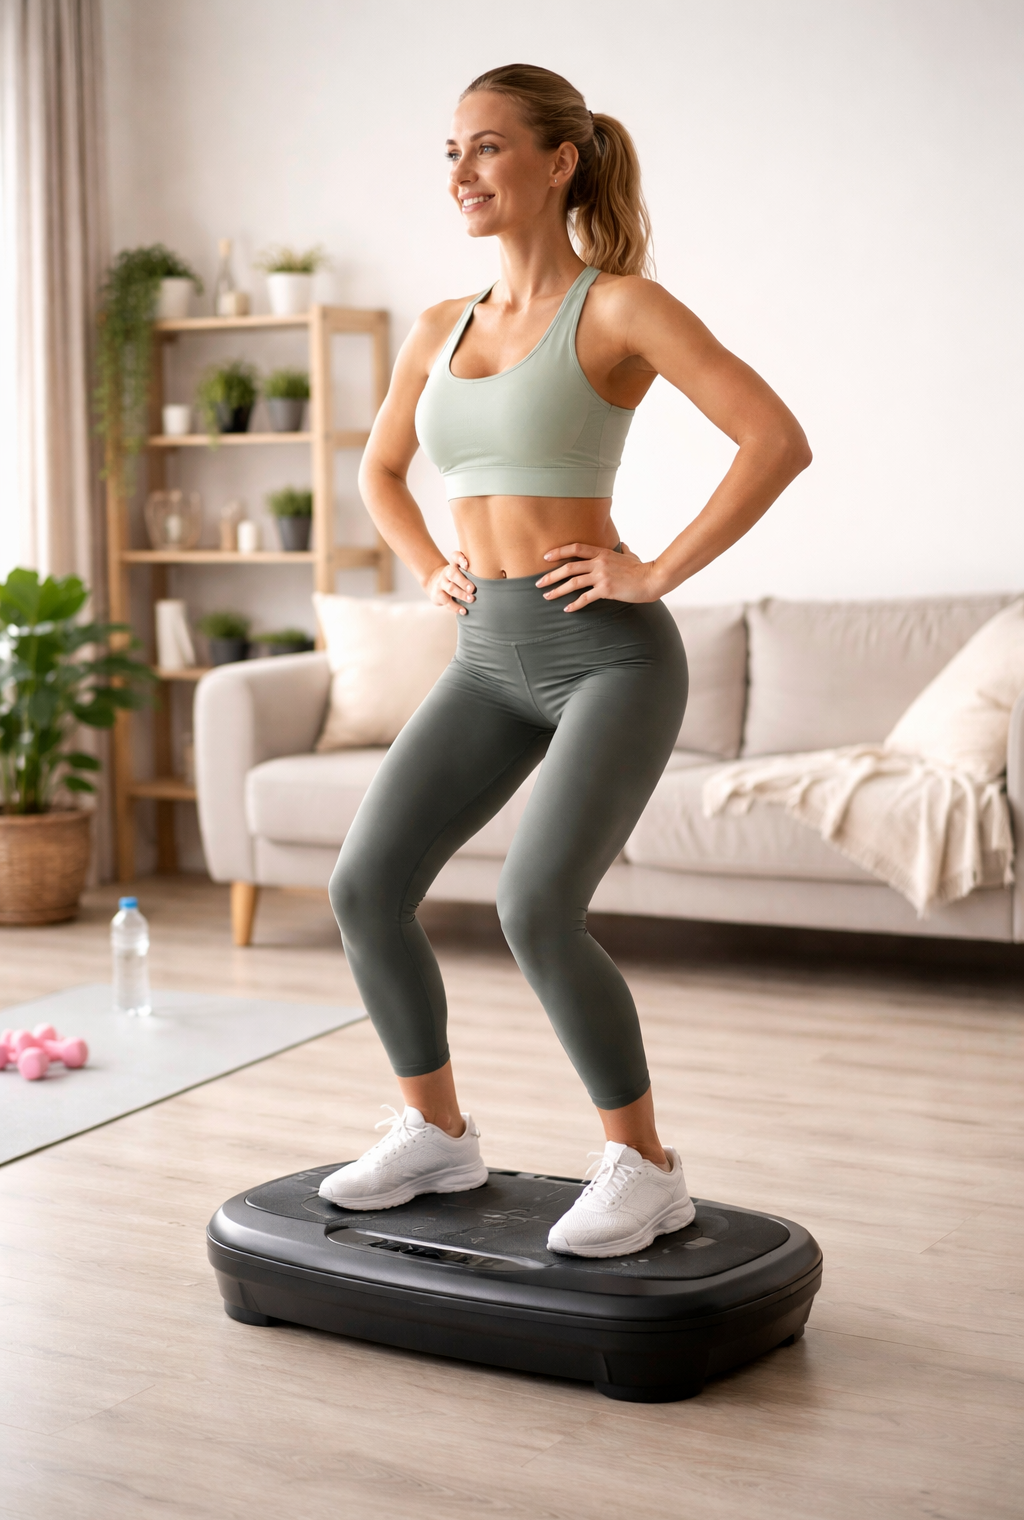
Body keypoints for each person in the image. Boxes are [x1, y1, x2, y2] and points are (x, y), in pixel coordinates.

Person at [320, 63, 811, 1258]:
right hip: (486, 653)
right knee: (364, 888)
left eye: (487, 146)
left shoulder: (620, 308)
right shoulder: (438, 327)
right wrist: (427, 562)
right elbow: (378, 471)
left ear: (558, 161)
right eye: (450, 151)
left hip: (606, 660)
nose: (462, 171)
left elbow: (773, 439)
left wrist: (655, 571)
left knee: (536, 907)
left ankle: (645, 1166)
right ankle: (435, 1134)